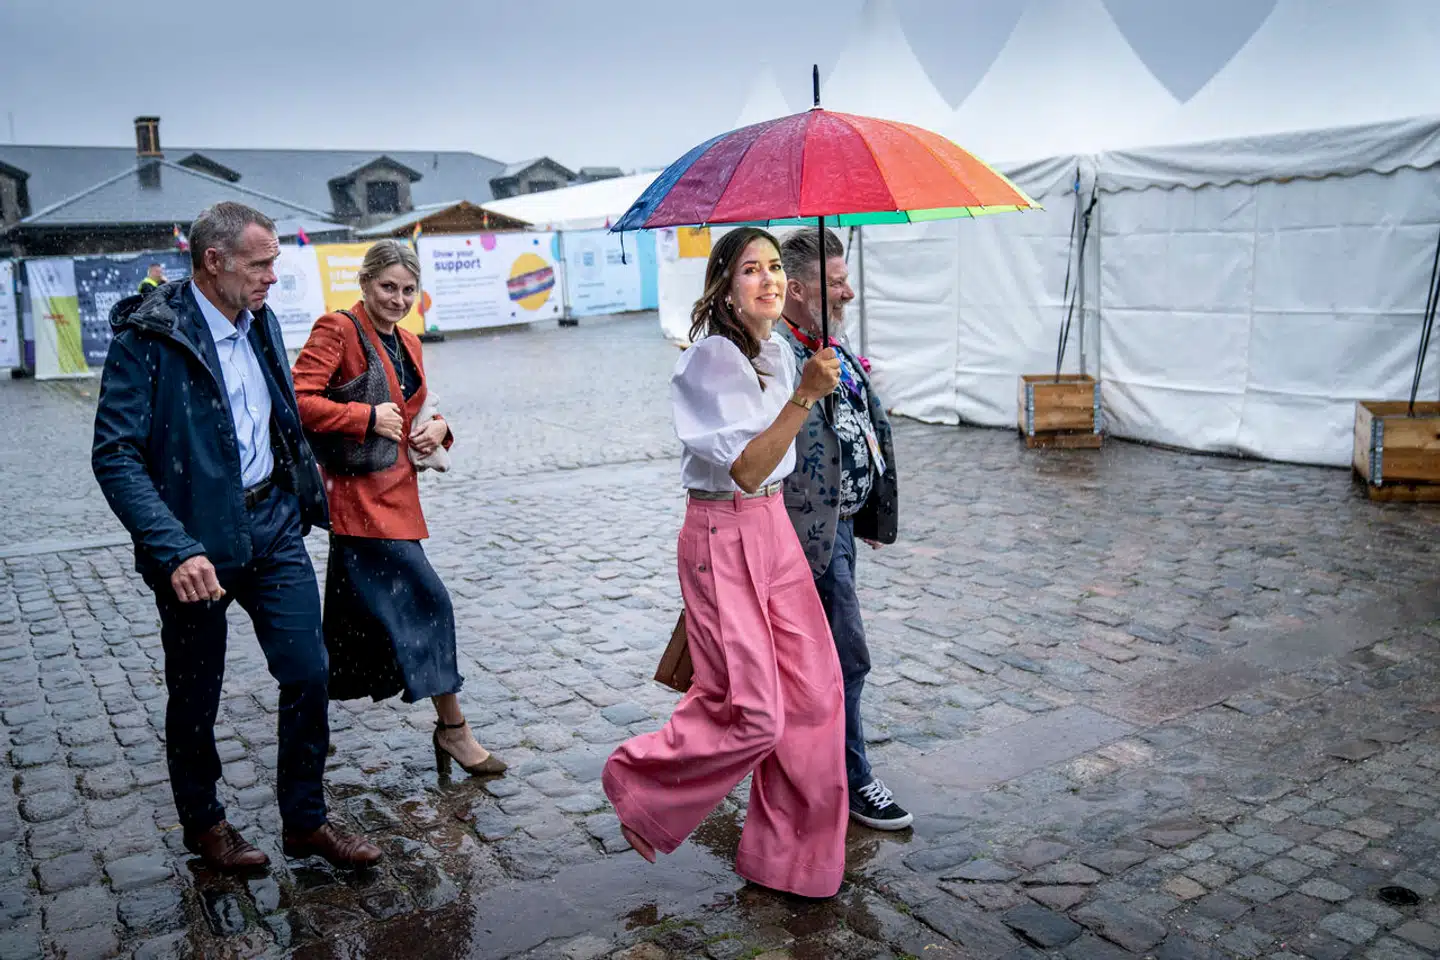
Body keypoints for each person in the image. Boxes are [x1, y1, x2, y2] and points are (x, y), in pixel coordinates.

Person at [92, 202, 381, 872]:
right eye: (260, 264)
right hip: (194, 544)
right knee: (196, 690)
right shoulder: (148, 339)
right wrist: (175, 549)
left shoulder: (262, 320)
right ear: (213, 261)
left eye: (275, 262)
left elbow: (280, 416)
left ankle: (305, 821)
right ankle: (205, 823)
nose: (273, 276)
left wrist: (304, 485)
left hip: (273, 526)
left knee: (308, 670)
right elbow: (116, 455)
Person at [602, 227, 848, 898]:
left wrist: (806, 383)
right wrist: (805, 397)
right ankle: (640, 782)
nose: (769, 278)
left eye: (775, 266)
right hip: (724, 533)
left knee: (815, 698)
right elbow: (745, 468)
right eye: (751, 269)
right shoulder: (710, 359)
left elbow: (777, 467)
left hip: (775, 530)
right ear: (724, 287)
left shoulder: (777, 351)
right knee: (753, 710)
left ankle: (792, 860)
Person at [291, 240, 505, 777]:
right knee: (430, 605)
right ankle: (453, 729)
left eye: (408, 290)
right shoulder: (337, 329)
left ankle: (305, 727)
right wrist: (364, 418)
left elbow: (414, 413)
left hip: (398, 497)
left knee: (349, 634)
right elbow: (297, 399)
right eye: (388, 287)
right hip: (359, 504)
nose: (398, 299)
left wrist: (441, 430)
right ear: (364, 283)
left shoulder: (409, 340)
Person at [777, 228, 910, 831]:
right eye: (836, 283)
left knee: (828, 659)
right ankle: (851, 782)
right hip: (809, 537)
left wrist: (871, 509)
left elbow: (862, 427)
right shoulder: (778, 357)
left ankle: (811, 771)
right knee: (844, 659)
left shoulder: (830, 345)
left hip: (843, 529)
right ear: (798, 290)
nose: (849, 292)